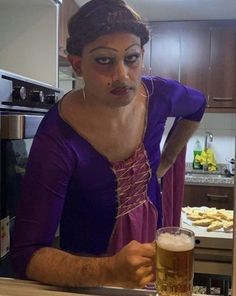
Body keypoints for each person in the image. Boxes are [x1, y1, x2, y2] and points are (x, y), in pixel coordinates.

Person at [11, 0, 206, 290]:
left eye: (132, 58)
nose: (122, 76)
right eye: (104, 60)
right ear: (77, 63)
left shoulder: (158, 97)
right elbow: (26, 254)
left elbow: (197, 104)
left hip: (152, 265)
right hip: (89, 280)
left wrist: (165, 162)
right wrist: (108, 271)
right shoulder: (58, 136)